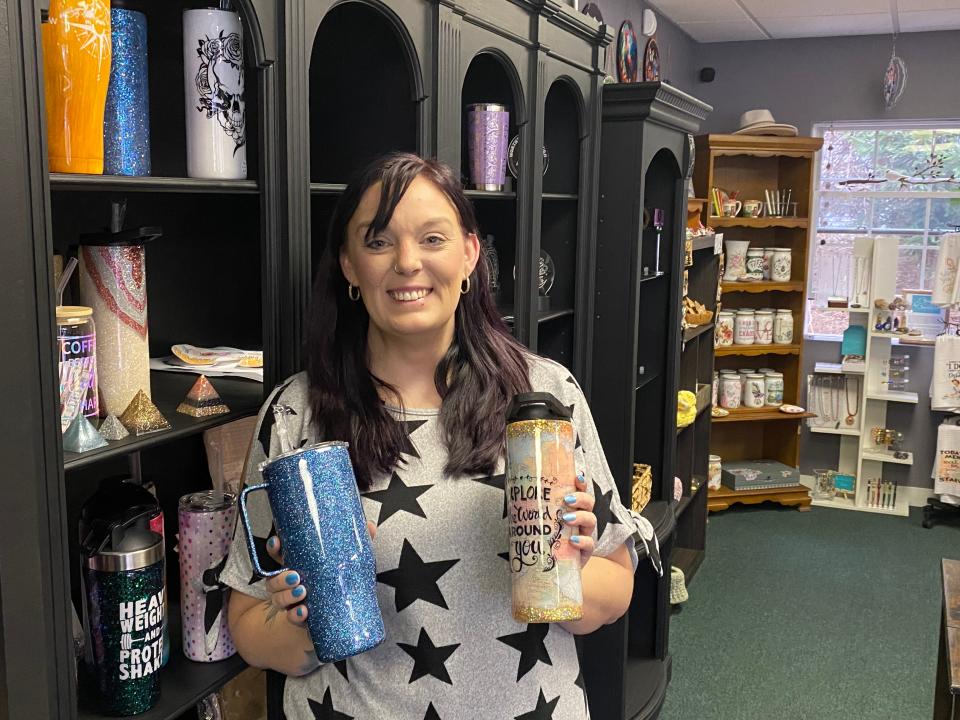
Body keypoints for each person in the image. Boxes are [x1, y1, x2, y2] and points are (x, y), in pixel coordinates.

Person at [221, 153, 657, 719]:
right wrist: (311, 618)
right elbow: (249, 626)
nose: (407, 263)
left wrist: (564, 569)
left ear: (470, 253)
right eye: (378, 242)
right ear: (349, 265)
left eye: (432, 238)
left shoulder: (545, 396)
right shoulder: (296, 413)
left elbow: (613, 594)